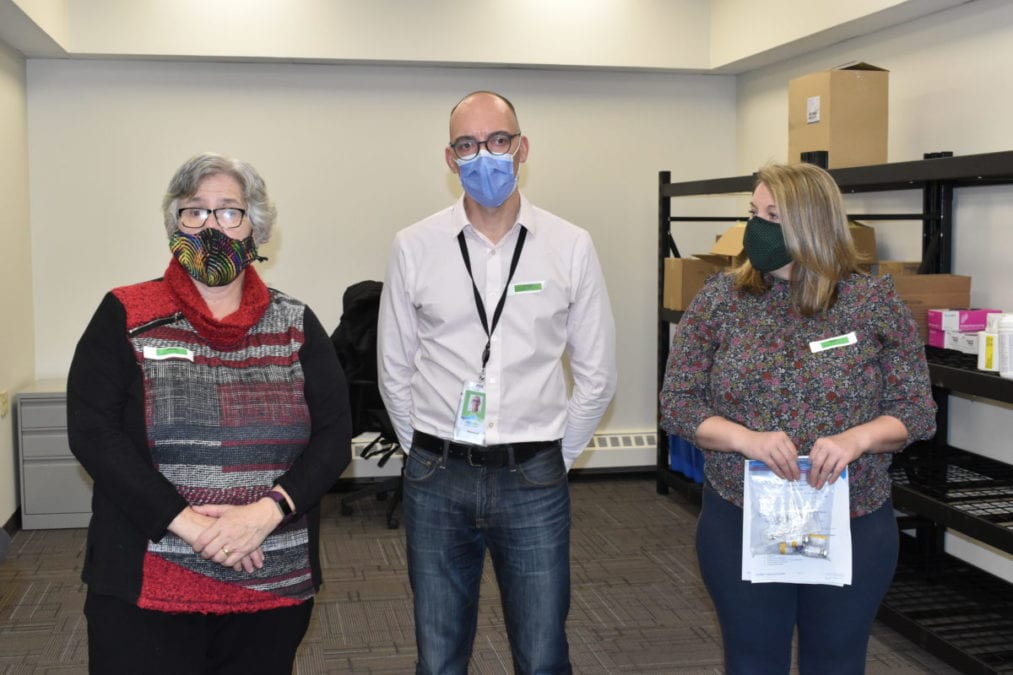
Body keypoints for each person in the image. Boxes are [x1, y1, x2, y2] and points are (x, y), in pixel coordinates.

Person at [67, 152, 352, 674]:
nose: (210, 225)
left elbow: (334, 435)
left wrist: (262, 515)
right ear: (174, 223)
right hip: (145, 580)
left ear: (255, 229)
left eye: (229, 211)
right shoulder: (125, 312)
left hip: (270, 574)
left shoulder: (295, 321)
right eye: (194, 211)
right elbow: (93, 432)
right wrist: (195, 527)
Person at [660, 162, 937, 674]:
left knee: (836, 661)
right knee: (752, 661)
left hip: (852, 520)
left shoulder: (870, 301)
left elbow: (916, 410)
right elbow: (678, 402)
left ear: (813, 224)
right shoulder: (722, 299)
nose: (757, 228)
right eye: (753, 213)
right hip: (741, 517)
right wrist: (745, 439)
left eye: (773, 215)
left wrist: (858, 438)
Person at [378, 91, 617, 674]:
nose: (484, 155)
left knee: (541, 655)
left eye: (498, 140)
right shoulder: (415, 245)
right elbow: (394, 368)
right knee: (438, 656)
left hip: (533, 476)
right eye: (468, 144)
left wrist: (552, 454)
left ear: (522, 147)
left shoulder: (569, 245)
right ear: (450, 157)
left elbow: (597, 374)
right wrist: (426, 451)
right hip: (436, 474)